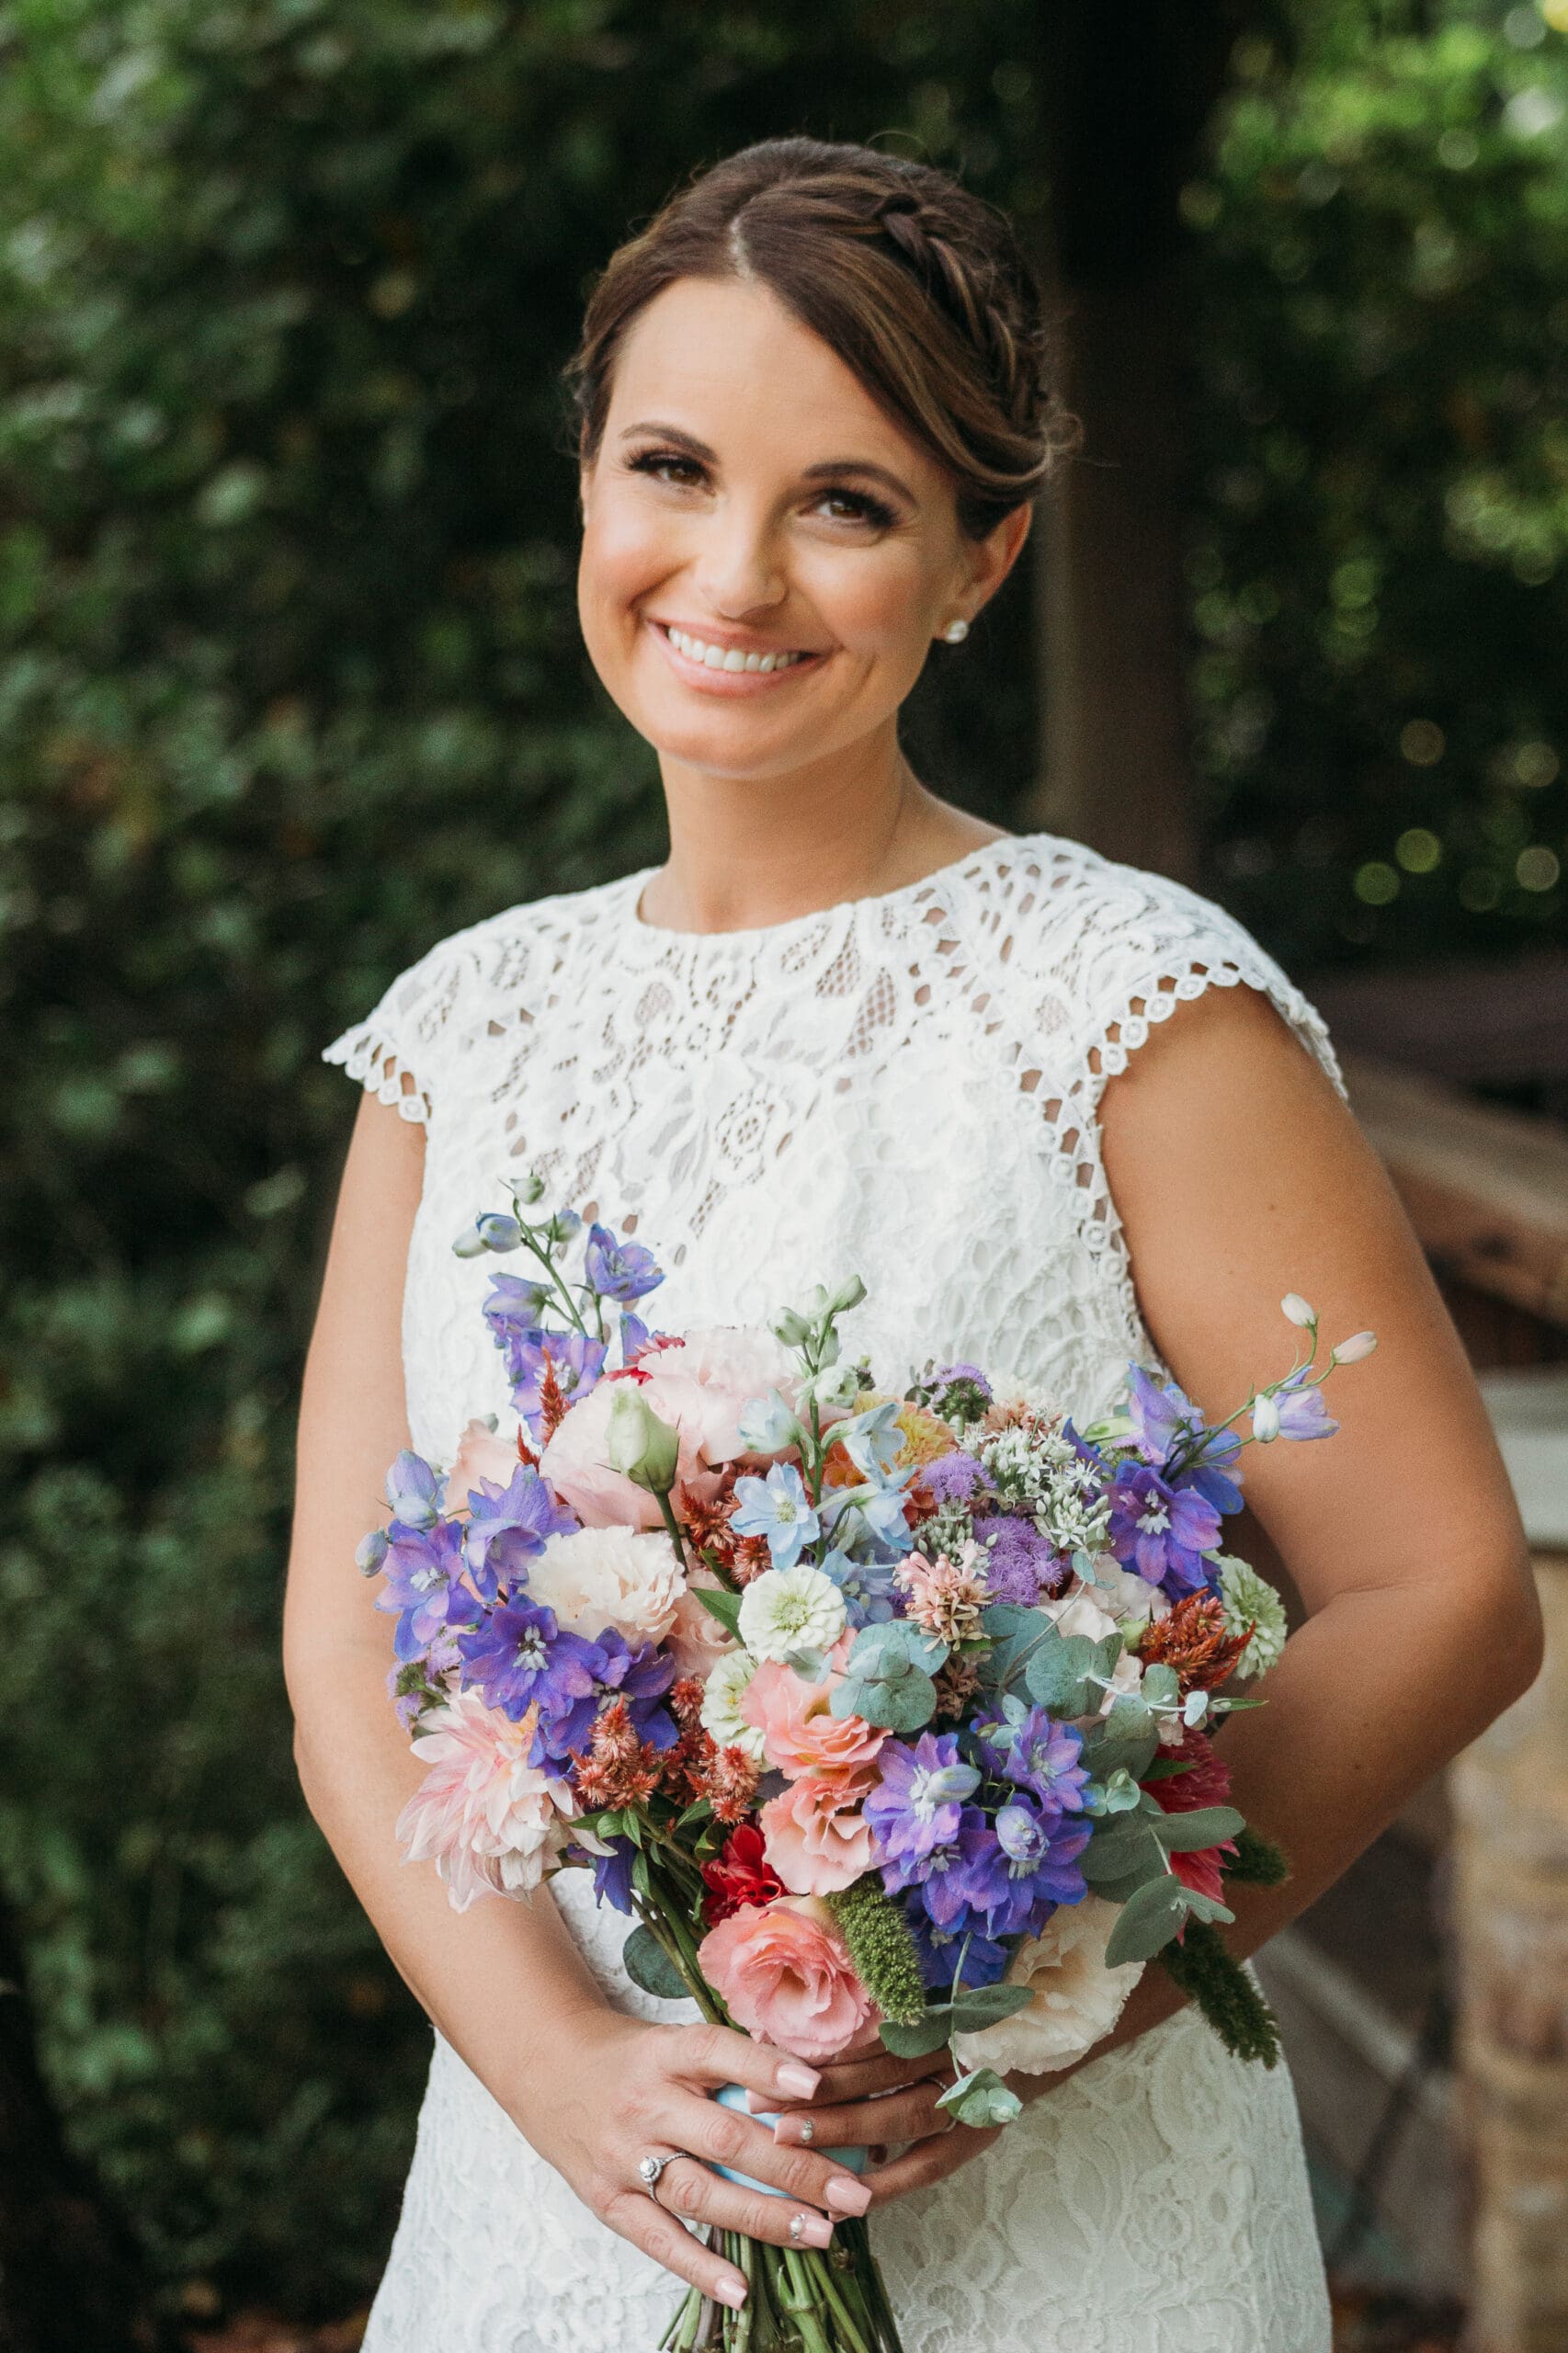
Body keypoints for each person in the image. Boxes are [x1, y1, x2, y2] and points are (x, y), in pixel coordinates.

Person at [284, 137, 1540, 2353]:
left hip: (1063, 2219)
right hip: (566, 2194)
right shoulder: (453, 1033)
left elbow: (1438, 1581)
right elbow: (345, 1657)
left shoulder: (1128, 1002)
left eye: (846, 501)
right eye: (669, 465)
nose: (733, 571)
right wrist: (560, 2069)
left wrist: (1053, 1989)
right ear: (588, 485)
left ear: (984, 557)